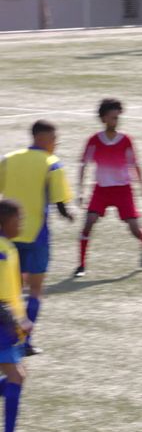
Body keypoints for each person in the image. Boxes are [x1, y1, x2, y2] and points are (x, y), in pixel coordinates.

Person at [0, 120, 74, 356]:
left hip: (8, 236)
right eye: (54, 139)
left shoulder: (8, 159)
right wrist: (67, 214)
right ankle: (25, 341)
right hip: (37, 236)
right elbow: (59, 201)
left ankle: (8, 339)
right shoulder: (52, 164)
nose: (56, 143)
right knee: (35, 290)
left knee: (12, 290)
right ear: (42, 138)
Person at [76, 98, 142, 277]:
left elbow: (135, 165)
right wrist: (80, 191)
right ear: (103, 119)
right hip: (101, 190)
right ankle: (81, 266)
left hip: (123, 190)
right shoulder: (94, 141)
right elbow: (83, 165)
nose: (116, 121)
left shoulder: (126, 140)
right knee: (88, 223)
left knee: (134, 228)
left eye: (117, 118)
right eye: (112, 118)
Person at [0, 200, 38, 432]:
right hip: (3, 323)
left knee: (18, 375)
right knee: (16, 376)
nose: (21, 224)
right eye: (18, 219)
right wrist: (18, 321)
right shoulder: (3, 251)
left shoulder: (7, 248)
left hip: (7, 321)